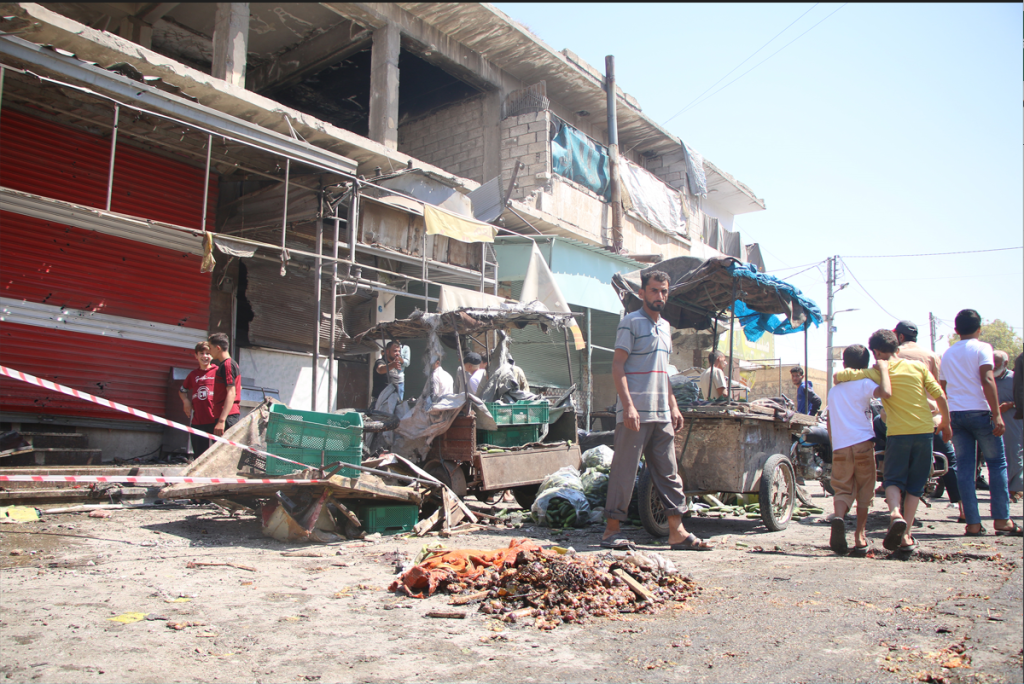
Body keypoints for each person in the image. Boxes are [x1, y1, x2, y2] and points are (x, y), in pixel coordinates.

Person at [602, 270, 711, 551]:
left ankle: (677, 531)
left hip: (661, 412)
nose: (659, 296)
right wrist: (627, 406)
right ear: (642, 293)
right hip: (634, 414)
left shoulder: (666, 327)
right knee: (625, 472)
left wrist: (673, 405)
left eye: (664, 291)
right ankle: (611, 531)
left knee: (668, 473)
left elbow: (664, 372)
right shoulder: (630, 323)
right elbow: (617, 366)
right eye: (654, 290)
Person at [834, 329, 950, 553]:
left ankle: (895, 513)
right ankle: (906, 535)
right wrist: (946, 422)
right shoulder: (918, 367)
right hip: (925, 431)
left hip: (898, 433)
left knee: (894, 479)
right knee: (916, 485)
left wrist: (843, 375)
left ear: (876, 352)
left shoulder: (877, 371)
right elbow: (940, 395)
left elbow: (843, 376)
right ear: (897, 348)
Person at [940, 309, 1021, 536]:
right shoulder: (983, 347)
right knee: (997, 464)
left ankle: (973, 524)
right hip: (980, 412)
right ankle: (1002, 520)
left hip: (957, 414)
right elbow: (987, 378)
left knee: (965, 468)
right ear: (979, 329)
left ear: (955, 330)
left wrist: (946, 419)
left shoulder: (947, 354)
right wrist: (996, 414)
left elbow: (942, 387)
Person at [893, 320, 962, 519]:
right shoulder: (931, 356)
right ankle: (963, 506)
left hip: (898, 423)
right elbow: (940, 390)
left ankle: (892, 500)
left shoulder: (893, 355)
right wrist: (945, 422)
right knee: (950, 460)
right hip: (930, 420)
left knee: (888, 461)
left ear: (900, 337)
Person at [826, 344, 891, 555]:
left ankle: (839, 517)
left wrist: (835, 443)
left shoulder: (834, 392)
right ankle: (860, 536)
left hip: (841, 445)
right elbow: (884, 393)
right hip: (863, 442)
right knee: (865, 489)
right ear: (865, 366)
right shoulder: (865, 384)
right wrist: (882, 370)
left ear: (844, 365)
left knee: (842, 488)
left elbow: (829, 422)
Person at [993, 351, 1023, 504]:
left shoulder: (1015, 379)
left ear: (1005, 363)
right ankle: (1000, 488)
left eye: (996, 362)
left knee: (1014, 455)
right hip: (992, 425)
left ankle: (1015, 489)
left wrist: (1010, 405)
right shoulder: (986, 379)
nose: (993, 365)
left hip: (1013, 423)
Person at [179, 341, 218, 456]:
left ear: (212, 355)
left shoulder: (218, 372)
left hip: (215, 422)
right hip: (198, 422)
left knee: (217, 456)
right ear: (196, 356)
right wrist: (186, 401)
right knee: (199, 457)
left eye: (208, 353)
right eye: (201, 353)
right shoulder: (193, 375)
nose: (205, 356)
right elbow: (182, 391)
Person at [208, 332, 241, 438]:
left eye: (210, 347)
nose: (209, 351)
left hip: (227, 416)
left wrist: (222, 421)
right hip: (224, 415)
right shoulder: (229, 364)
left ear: (218, 348)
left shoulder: (227, 365)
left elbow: (231, 392)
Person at [372, 341, 403, 405]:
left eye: (398, 351)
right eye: (395, 351)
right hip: (381, 403)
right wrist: (392, 365)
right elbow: (380, 369)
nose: (397, 353)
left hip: (392, 402)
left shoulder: (394, 365)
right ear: (387, 351)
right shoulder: (380, 362)